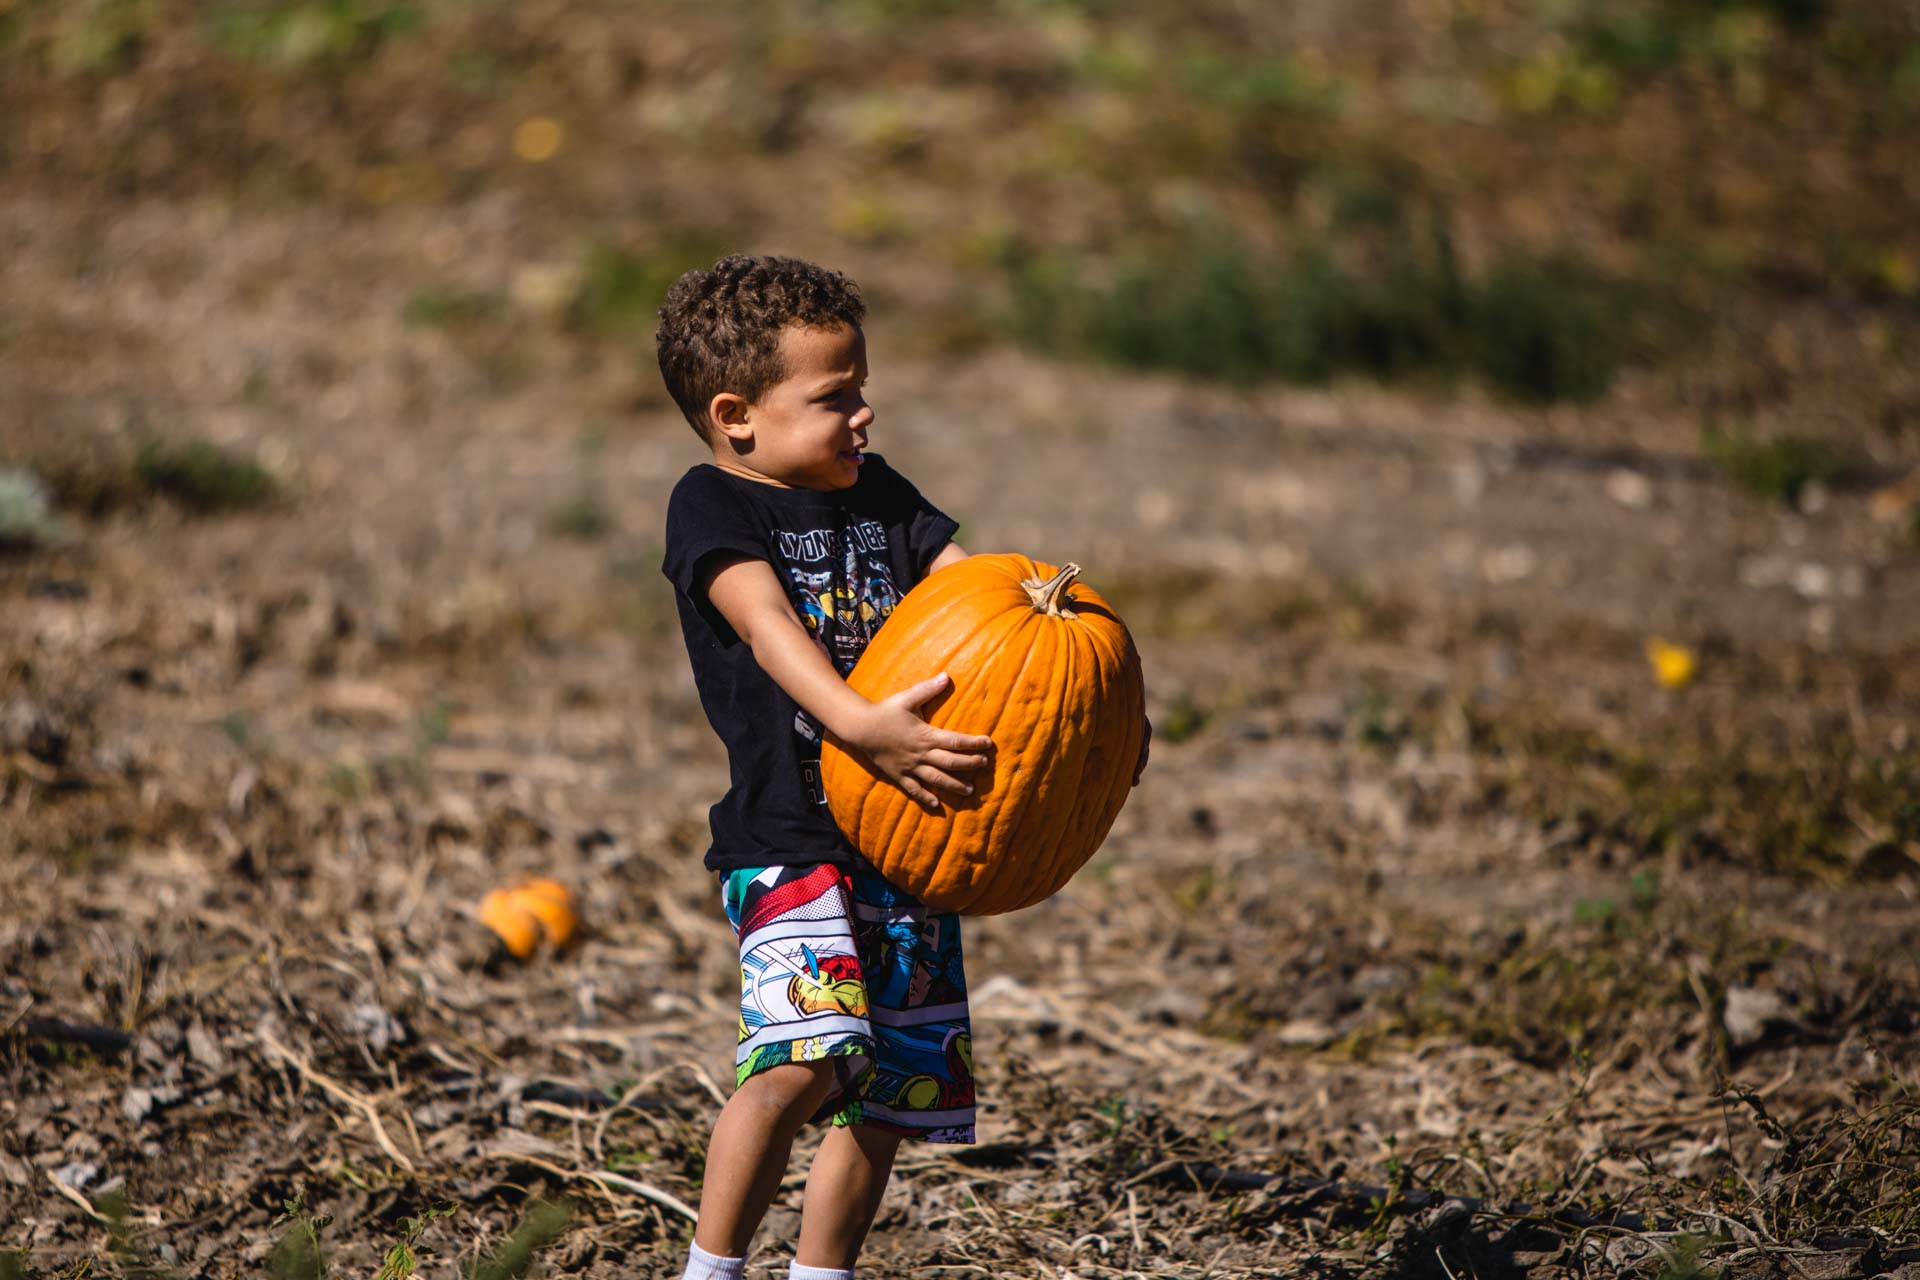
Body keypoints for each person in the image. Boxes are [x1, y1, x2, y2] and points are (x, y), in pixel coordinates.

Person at [656, 254, 1145, 1280]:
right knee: (803, 1060)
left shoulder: (879, 494)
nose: (865, 415)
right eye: (836, 397)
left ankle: (821, 1271)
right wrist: (857, 723)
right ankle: (713, 1266)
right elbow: (768, 624)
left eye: (862, 387)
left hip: (913, 848)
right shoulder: (713, 507)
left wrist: (1100, 718)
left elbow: (983, 602)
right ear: (737, 413)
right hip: (789, 842)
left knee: (891, 1092)